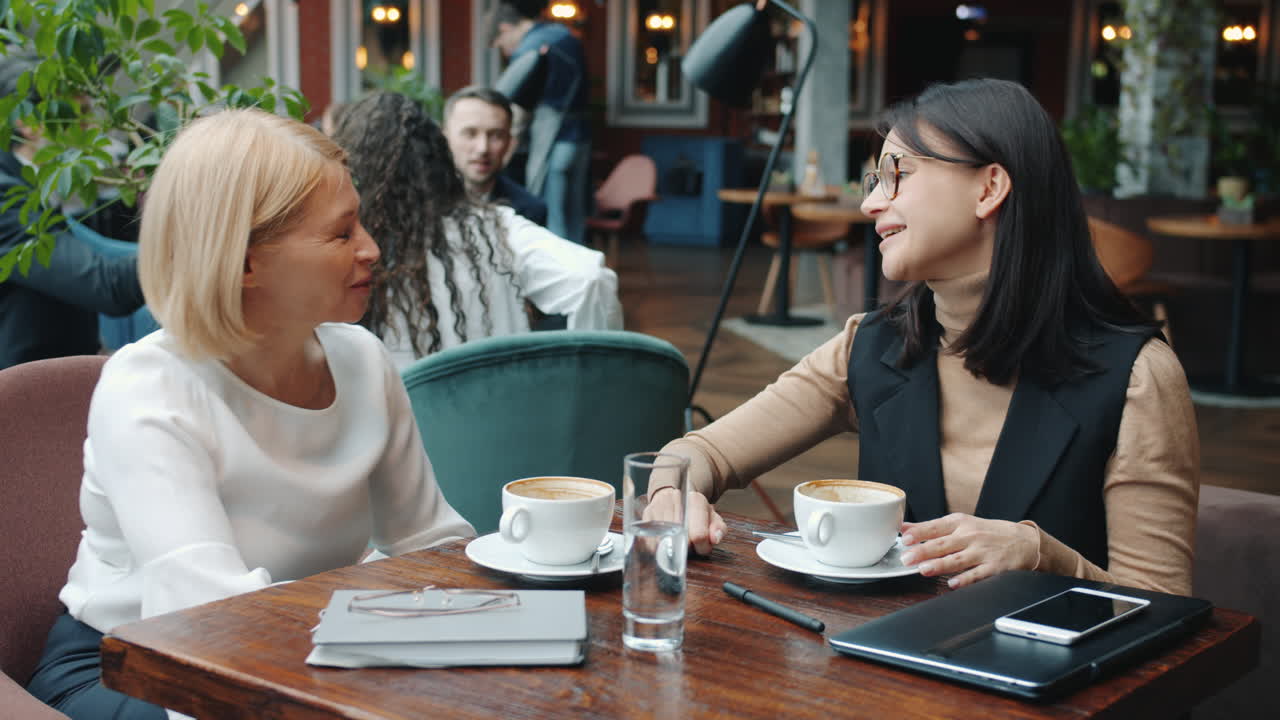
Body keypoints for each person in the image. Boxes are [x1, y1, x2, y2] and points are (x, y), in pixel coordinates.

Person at [650, 78, 1199, 596]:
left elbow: (1160, 612)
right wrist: (673, 495)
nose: (870, 204)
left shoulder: (1136, 378)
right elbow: (699, 451)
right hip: (893, 684)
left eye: (897, 175)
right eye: (873, 181)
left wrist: (1041, 556)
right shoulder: (869, 346)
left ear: (989, 188)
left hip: (1063, 691)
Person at [25, 108, 474, 719]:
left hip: (310, 650)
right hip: (136, 668)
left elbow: (430, 544)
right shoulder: (149, 388)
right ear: (243, 262)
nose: (371, 248)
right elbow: (208, 621)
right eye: (341, 234)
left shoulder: (363, 360)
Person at [331, 91, 621, 368]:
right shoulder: (501, 227)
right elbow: (590, 278)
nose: (482, 147)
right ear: (440, 149)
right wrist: (589, 380)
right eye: (470, 133)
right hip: (505, 405)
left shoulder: (354, 249)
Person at [0, 52, 145, 370]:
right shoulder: (6, 200)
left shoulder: (37, 189)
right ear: (28, 124)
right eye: (78, 113)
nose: (91, 126)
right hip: (28, 399)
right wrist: (202, 245)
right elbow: (107, 284)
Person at [491, 0, 591, 245]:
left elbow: (503, 97)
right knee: (574, 215)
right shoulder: (564, 36)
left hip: (555, 138)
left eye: (502, 45)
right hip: (580, 138)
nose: (506, 53)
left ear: (505, 29)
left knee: (551, 216)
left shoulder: (533, 46)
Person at [443, 85, 548, 226]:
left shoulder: (530, 211)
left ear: (510, 143)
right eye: (470, 133)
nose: (483, 148)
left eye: (496, 136)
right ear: (445, 137)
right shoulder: (419, 200)